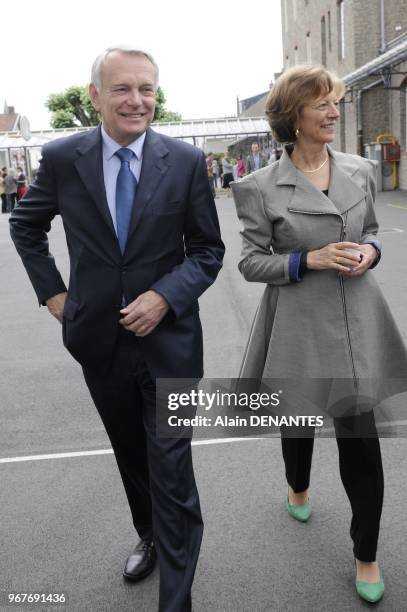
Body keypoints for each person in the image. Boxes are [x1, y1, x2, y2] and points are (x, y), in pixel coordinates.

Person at [10, 45, 224, 612]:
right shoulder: (61, 158)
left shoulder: (182, 161)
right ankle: (149, 534)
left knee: (172, 466)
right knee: (131, 454)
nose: (137, 101)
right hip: (99, 343)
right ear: (95, 97)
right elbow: (26, 229)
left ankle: (175, 600)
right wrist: (55, 295)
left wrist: (163, 296)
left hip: (170, 344)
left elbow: (207, 251)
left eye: (147, 89)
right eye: (123, 89)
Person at [231, 65, 407, 604]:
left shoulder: (358, 168)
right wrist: (306, 259)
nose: (334, 112)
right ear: (293, 115)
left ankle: (367, 554)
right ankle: (297, 483)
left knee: (362, 441)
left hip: (357, 320)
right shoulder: (257, 187)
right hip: (299, 324)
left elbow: (372, 232)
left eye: (337, 101)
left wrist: (369, 252)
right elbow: (250, 263)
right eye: (322, 104)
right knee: (300, 423)